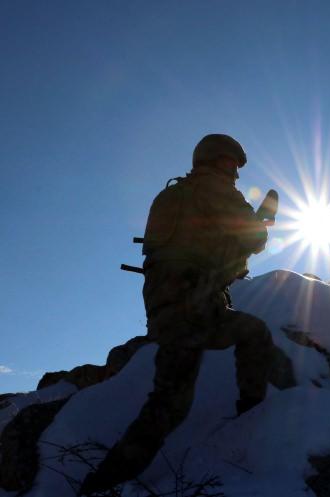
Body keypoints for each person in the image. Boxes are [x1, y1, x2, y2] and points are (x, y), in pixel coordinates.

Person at [80, 134, 275, 494]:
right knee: (255, 334)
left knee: (168, 405)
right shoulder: (216, 189)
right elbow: (253, 241)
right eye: (232, 164)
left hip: (166, 310)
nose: (235, 174)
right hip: (196, 307)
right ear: (217, 161)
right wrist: (262, 220)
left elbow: (197, 246)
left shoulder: (171, 194)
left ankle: (101, 482)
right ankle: (254, 417)